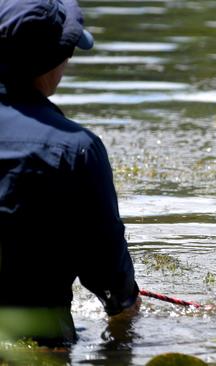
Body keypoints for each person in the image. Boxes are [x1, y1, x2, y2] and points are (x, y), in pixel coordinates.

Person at [0, 0, 139, 346]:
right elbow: (113, 285)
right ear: (54, 62)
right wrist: (129, 306)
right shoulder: (77, 149)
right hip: (35, 344)